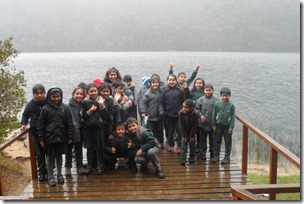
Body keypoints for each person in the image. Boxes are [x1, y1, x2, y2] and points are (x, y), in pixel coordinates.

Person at [37, 87, 73, 187]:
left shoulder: (65, 107)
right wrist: (41, 138)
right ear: (49, 97)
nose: (56, 98)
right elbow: (41, 125)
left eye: (58, 96)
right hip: (49, 138)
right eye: (53, 97)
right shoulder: (45, 108)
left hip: (61, 136)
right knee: (49, 157)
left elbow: (69, 123)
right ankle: (50, 176)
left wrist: (70, 136)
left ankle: (59, 174)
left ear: (61, 96)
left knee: (59, 156)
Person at [20, 84, 48, 182]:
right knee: (39, 153)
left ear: (45, 93)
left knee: (48, 152)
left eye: (41, 93)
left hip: (48, 132)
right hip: (35, 133)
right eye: (37, 93)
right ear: (33, 94)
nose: (39, 95)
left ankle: (49, 171)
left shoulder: (48, 102)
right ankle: (41, 172)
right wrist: (23, 124)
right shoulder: (30, 104)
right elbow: (25, 115)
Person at [160, 74, 190, 153]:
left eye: (173, 80)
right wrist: (162, 111)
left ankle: (179, 146)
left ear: (176, 81)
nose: (171, 81)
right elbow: (161, 102)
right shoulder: (164, 91)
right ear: (167, 81)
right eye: (170, 80)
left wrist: (186, 89)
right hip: (168, 114)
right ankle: (171, 145)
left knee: (179, 131)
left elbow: (186, 99)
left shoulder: (180, 89)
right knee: (170, 131)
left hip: (179, 115)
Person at [82, 83, 108, 175]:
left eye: (95, 91)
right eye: (91, 91)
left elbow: (105, 116)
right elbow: (83, 117)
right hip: (89, 128)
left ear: (98, 91)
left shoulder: (101, 100)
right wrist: (90, 110)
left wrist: (101, 106)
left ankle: (99, 166)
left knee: (99, 148)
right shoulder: (85, 102)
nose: (93, 93)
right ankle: (89, 166)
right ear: (87, 92)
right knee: (89, 148)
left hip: (99, 128)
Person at [211, 87, 235, 164]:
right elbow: (214, 115)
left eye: (226, 96)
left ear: (229, 96)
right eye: (223, 95)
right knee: (217, 141)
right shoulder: (217, 104)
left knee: (227, 142)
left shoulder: (231, 106)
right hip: (218, 126)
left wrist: (231, 127)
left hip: (227, 126)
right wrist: (213, 125)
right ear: (221, 96)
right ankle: (216, 156)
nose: (225, 97)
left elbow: (233, 117)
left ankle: (227, 157)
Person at [65, 87, 86, 176]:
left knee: (79, 150)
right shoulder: (67, 106)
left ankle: (79, 166)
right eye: (77, 94)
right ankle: (68, 168)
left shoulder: (83, 105)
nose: (79, 95)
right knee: (68, 151)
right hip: (70, 131)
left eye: (81, 94)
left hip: (80, 131)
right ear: (73, 95)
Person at [196, 83, 219, 161]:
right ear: (204, 90)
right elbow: (196, 109)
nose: (208, 92)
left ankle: (213, 154)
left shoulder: (216, 100)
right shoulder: (200, 100)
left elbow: (219, 111)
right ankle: (202, 153)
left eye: (210, 90)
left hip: (213, 124)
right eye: (206, 90)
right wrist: (200, 115)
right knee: (202, 140)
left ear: (213, 90)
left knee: (213, 140)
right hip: (202, 124)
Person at [141, 77, 165, 149]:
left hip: (160, 115)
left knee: (160, 130)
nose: (155, 84)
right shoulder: (148, 93)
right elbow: (143, 102)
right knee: (152, 131)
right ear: (151, 84)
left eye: (157, 83)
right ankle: (154, 143)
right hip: (151, 115)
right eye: (153, 83)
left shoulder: (161, 92)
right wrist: (143, 111)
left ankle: (161, 142)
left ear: (159, 84)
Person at [179, 99, 200, 165]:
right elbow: (181, 124)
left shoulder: (195, 114)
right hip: (184, 129)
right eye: (183, 107)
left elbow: (195, 125)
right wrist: (184, 135)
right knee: (184, 143)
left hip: (192, 130)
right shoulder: (181, 113)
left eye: (186, 108)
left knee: (192, 144)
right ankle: (183, 158)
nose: (184, 109)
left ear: (191, 108)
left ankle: (192, 157)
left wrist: (191, 135)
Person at [190, 77, 205, 153]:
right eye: (197, 83)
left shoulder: (204, 93)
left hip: (201, 115)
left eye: (200, 83)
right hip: (193, 115)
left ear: (203, 84)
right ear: (194, 84)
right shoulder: (192, 93)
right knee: (193, 132)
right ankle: (193, 147)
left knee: (200, 133)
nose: (198, 84)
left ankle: (199, 147)